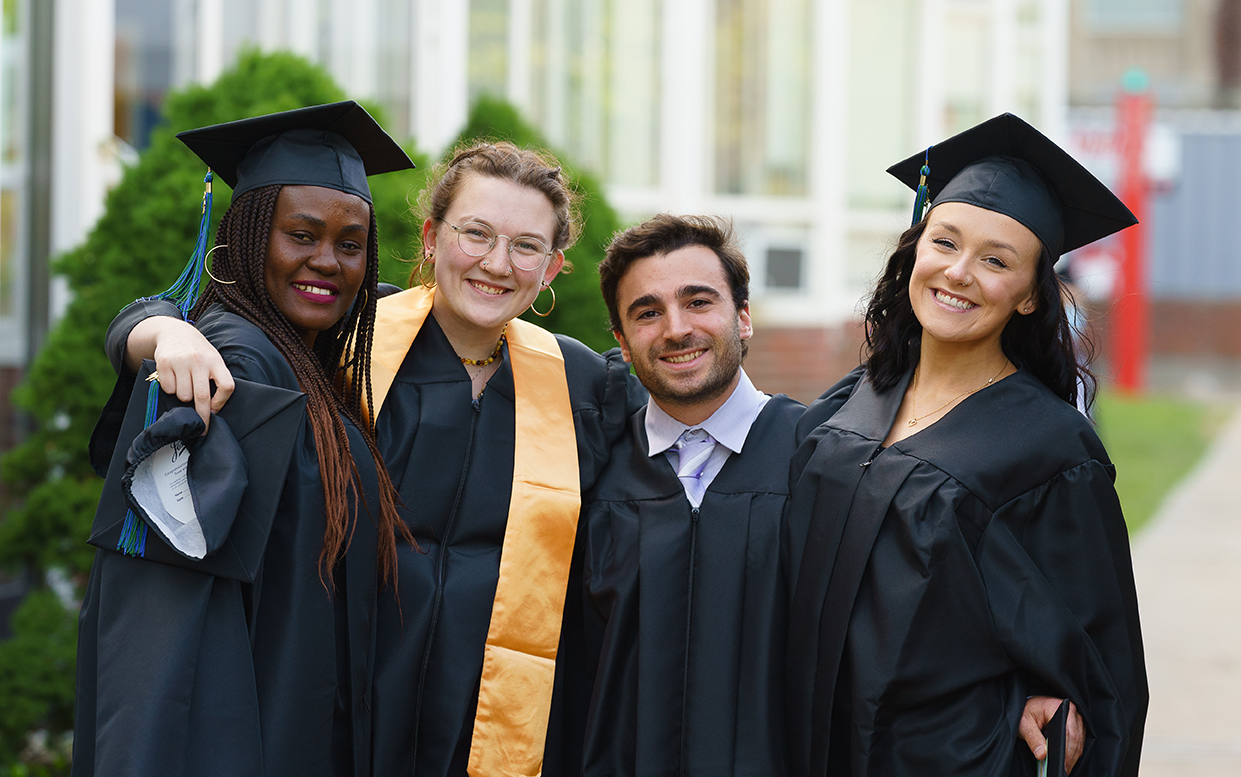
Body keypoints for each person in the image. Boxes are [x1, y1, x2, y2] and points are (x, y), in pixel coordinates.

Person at [102, 140, 635, 776]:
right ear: (433, 238)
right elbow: (227, 321)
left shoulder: (579, 383)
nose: (498, 263)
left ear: (551, 269)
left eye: (526, 246)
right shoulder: (348, 335)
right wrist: (162, 330)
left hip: (489, 720)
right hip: (342, 712)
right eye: (476, 233)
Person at [785, 113, 1148, 776]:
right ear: (914, 249)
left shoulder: (1050, 448)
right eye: (944, 242)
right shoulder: (851, 400)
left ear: (1030, 299)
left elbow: (1099, 664)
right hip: (814, 743)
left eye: (995, 260)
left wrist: (1057, 706)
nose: (957, 272)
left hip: (952, 759)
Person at [74, 101, 417, 776]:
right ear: (251, 235)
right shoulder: (230, 368)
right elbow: (166, 628)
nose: (328, 262)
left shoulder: (306, 358)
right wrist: (153, 329)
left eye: (349, 245)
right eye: (302, 235)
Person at [577, 214, 805, 775]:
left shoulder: (822, 461)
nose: (675, 329)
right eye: (647, 313)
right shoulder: (589, 472)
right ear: (622, 344)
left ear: (744, 318)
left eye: (699, 301)